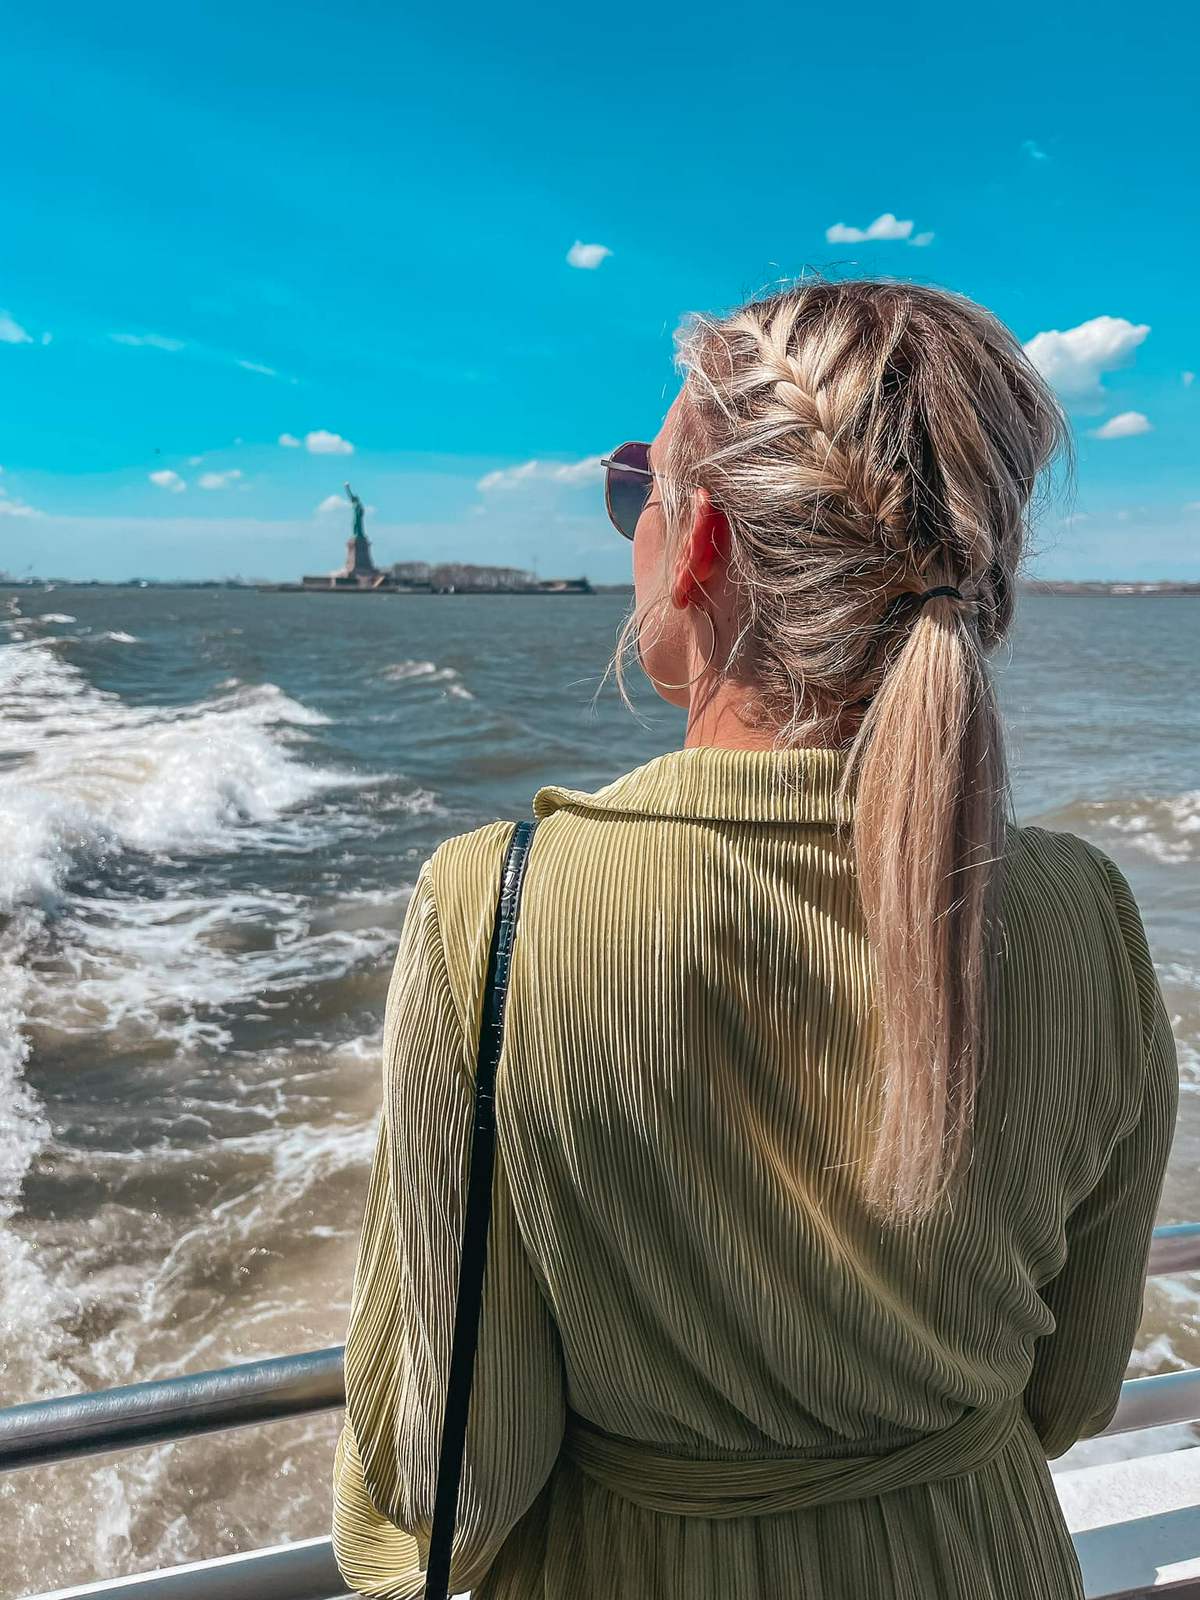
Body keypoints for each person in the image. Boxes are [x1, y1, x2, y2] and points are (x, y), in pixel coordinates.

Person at [330, 276, 1179, 1599]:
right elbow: (1070, 1387)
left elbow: (456, 1473)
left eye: (635, 498)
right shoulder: (1090, 916)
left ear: (702, 539)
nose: (629, 537)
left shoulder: (494, 909)